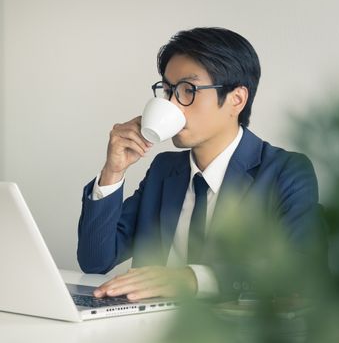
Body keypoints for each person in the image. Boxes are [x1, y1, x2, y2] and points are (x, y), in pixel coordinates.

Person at [77, 27, 322, 301]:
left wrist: (191, 278)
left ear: (236, 100)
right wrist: (113, 171)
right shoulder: (164, 169)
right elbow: (95, 261)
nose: (172, 104)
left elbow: (298, 272)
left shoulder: (285, 171)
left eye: (187, 90)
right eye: (168, 90)